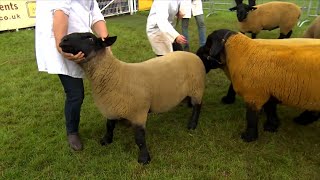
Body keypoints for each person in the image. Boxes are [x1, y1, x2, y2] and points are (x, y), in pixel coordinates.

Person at [35, 0, 109, 151]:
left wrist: (105, 40)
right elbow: (60, 12)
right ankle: (72, 132)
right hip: (65, 43)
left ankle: (116, 114)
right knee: (75, 94)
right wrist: (61, 47)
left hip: (84, 43)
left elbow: (95, 14)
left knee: (106, 79)